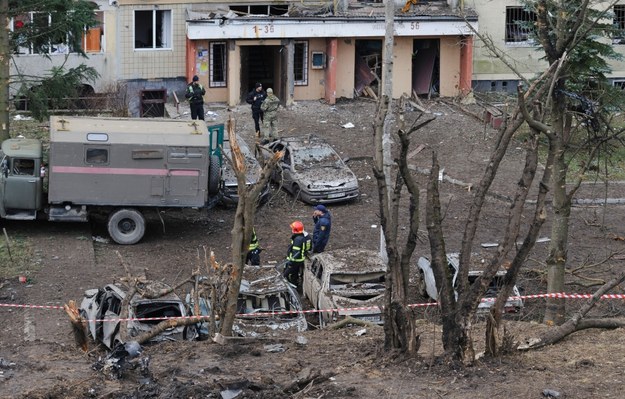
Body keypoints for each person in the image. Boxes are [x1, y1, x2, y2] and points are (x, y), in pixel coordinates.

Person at [284, 220, 307, 289]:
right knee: (294, 275)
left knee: (285, 275)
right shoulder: (299, 237)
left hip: (295, 261)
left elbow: (296, 253)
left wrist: (291, 263)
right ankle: (295, 286)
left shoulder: (298, 240)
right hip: (298, 261)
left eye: (292, 228)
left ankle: (290, 288)